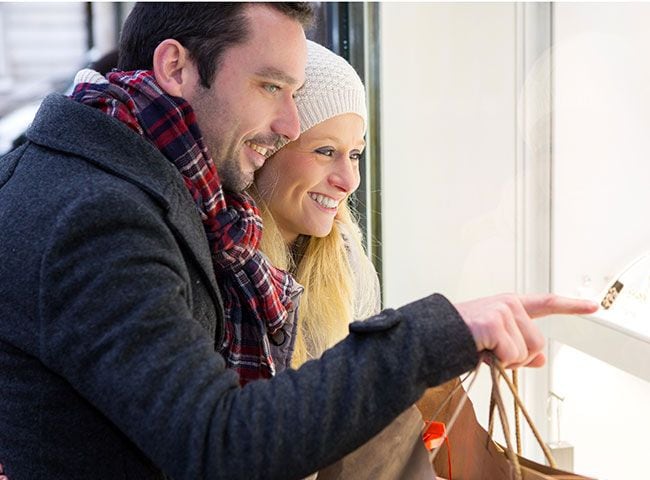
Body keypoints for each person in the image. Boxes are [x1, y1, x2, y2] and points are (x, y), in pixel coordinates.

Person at [0, 3, 597, 480]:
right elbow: (218, 443)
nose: (289, 123)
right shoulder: (101, 213)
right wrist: (434, 334)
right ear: (176, 67)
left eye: (295, 93)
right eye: (269, 86)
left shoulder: (131, 183)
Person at [252, 39, 437, 480]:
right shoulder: (222, 266)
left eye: (354, 154)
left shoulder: (345, 257)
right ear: (265, 150)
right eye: (324, 152)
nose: (348, 179)